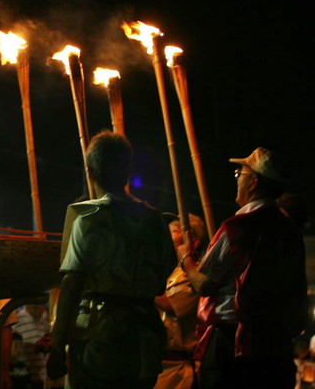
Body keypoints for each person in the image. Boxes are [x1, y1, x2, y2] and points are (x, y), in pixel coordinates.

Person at [47, 130, 176, 388]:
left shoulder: (89, 221)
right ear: (128, 169)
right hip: (146, 342)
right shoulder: (155, 220)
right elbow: (164, 275)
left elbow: (72, 286)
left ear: (91, 172)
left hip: (102, 341)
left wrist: (58, 346)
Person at [176, 147, 307, 388]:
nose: (236, 180)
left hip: (234, 345)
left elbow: (204, 284)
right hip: (276, 348)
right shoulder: (290, 231)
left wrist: (186, 258)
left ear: (254, 182)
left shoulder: (237, 228)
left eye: (240, 175)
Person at [154, 213, 206, 389]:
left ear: (194, 241)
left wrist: (138, 286)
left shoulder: (196, 273)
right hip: (158, 365)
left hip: (178, 372)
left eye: (175, 230)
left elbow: (172, 305)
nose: (167, 236)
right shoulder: (165, 269)